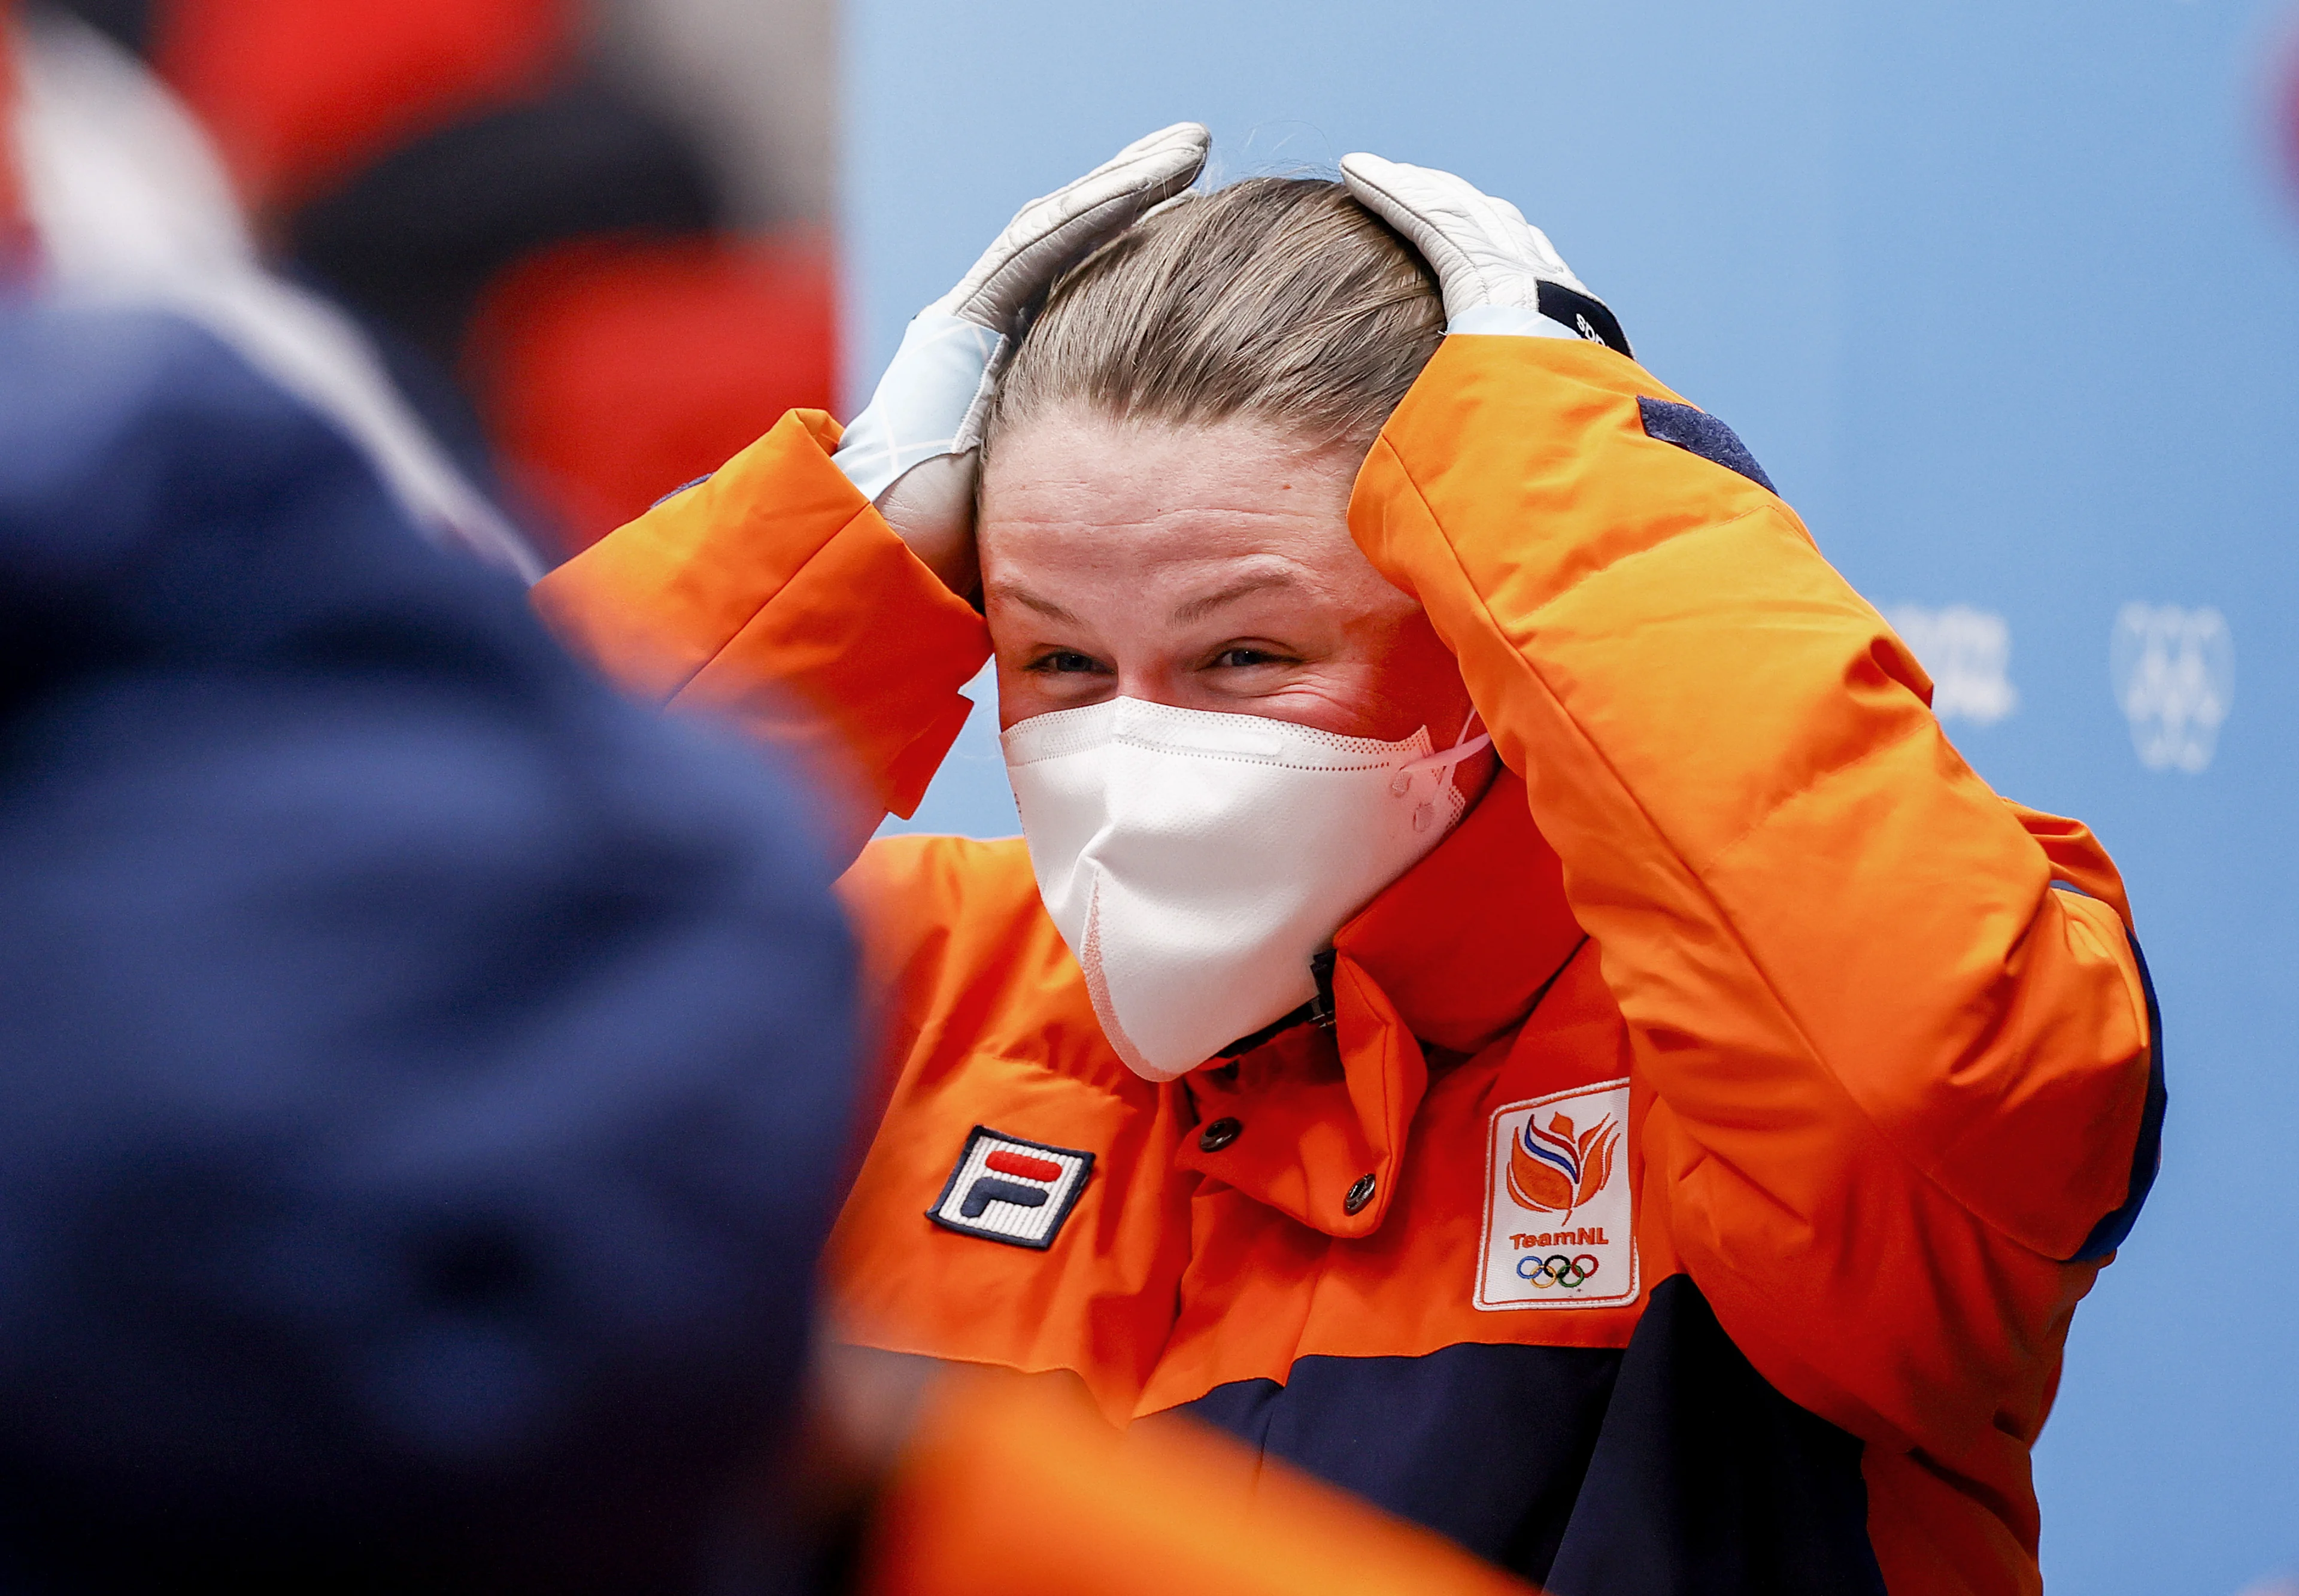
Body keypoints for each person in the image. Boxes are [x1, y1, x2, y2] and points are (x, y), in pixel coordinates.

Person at [535, 125, 2165, 1596]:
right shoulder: (900, 988)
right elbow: (375, 1021)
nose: (1137, 747)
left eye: (1245, 656)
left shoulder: (1734, 1079)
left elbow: (1919, 1082)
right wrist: (846, 547)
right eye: (1056, 662)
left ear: (1482, 637)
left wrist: (1553, 471)